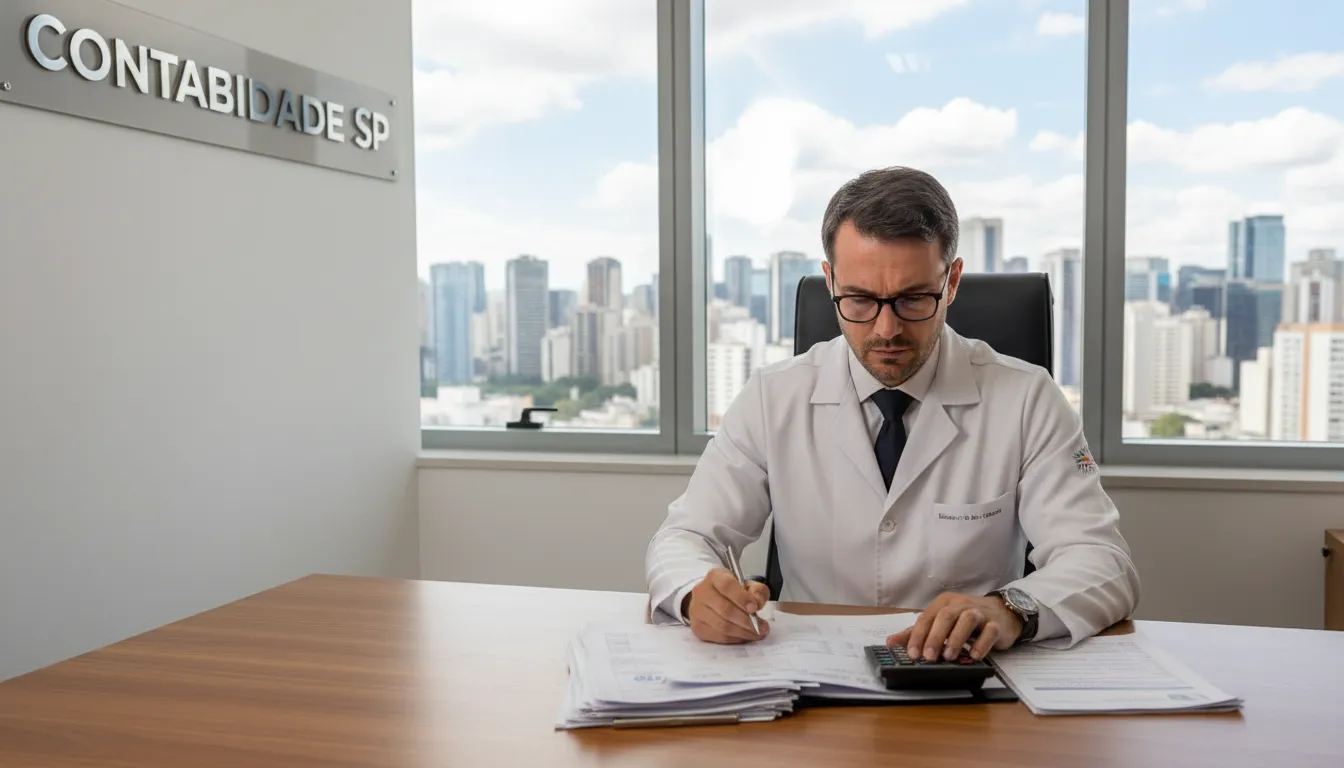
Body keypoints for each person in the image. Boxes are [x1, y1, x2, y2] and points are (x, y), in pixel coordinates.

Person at [645, 166, 1139, 662]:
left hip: (961, 675)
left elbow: (1102, 561)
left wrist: (1008, 609)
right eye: (859, 299)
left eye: (912, 299)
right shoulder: (773, 396)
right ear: (830, 280)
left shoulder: (1029, 398)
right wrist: (694, 594)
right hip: (811, 675)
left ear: (951, 283)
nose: (886, 330)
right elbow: (686, 535)